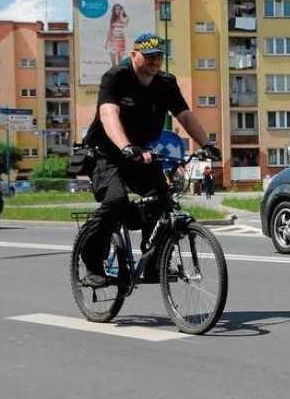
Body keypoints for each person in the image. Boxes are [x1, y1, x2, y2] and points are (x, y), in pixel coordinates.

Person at [78, 33, 221, 287]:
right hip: (105, 153)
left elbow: (185, 115)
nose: (154, 61)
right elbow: (108, 114)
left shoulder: (166, 83)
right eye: (148, 55)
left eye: (159, 56)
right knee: (115, 201)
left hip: (140, 153)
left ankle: (156, 264)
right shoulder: (116, 77)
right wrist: (125, 146)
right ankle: (91, 260)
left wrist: (207, 144)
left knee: (163, 198)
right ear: (134, 55)